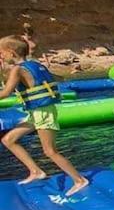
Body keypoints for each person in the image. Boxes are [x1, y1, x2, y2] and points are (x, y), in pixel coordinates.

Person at [0, 35, 89, 195]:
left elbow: (5, 93)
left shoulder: (17, 69)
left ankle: (79, 180)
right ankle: (36, 172)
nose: (1, 57)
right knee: (8, 140)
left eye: (2, 53)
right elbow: (57, 78)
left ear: (11, 53)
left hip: (42, 112)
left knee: (49, 151)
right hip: (37, 112)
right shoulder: (35, 64)